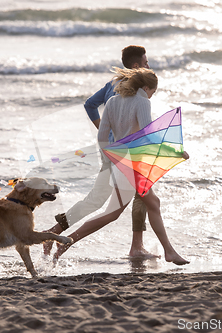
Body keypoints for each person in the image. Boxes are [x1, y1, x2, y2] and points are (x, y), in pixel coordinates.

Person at [53, 67, 189, 266]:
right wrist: (176, 151)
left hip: (119, 163)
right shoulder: (142, 102)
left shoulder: (112, 102)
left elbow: (102, 136)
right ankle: (169, 252)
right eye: (152, 91)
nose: (151, 96)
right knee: (133, 208)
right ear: (145, 87)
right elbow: (148, 135)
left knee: (128, 209)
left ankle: (66, 242)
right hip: (133, 165)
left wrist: (112, 161)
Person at [43, 45, 153, 258]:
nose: (149, 65)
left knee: (96, 199)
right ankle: (136, 247)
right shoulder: (137, 90)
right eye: (146, 62)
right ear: (137, 65)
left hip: (108, 152)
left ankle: (54, 233)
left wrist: (106, 131)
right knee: (139, 198)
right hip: (127, 155)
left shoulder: (113, 84)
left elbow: (90, 104)